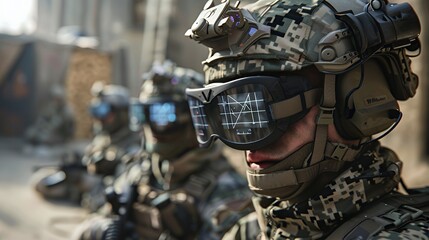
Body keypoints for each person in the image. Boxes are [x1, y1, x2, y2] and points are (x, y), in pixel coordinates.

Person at [185, 0, 429, 239]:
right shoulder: (251, 230)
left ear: (356, 100)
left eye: (263, 107)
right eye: (233, 115)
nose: (250, 141)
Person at [71, 61, 253, 240]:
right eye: (145, 112)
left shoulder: (226, 189)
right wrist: (98, 229)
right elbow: (92, 219)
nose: (153, 125)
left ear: (197, 118)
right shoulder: (142, 170)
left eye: (165, 114)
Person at [31, 82, 140, 211]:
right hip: (86, 184)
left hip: (108, 189)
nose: (99, 118)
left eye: (105, 112)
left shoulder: (133, 144)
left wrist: (86, 179)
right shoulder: (103, 138)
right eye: (96, 111)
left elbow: (124, 186)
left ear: (121, 114)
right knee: (40, 182)